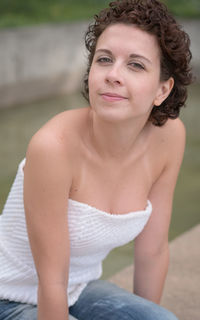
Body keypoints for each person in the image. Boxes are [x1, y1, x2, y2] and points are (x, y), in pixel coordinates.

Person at [0, 0, 193, 319]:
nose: (113, 75)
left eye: (135, 65)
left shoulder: (168, 137)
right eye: (105, 60)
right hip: (8, 295)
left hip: (80, 287)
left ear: (162, 89)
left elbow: (153, 251)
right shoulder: (54, 147)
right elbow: (51, 282)